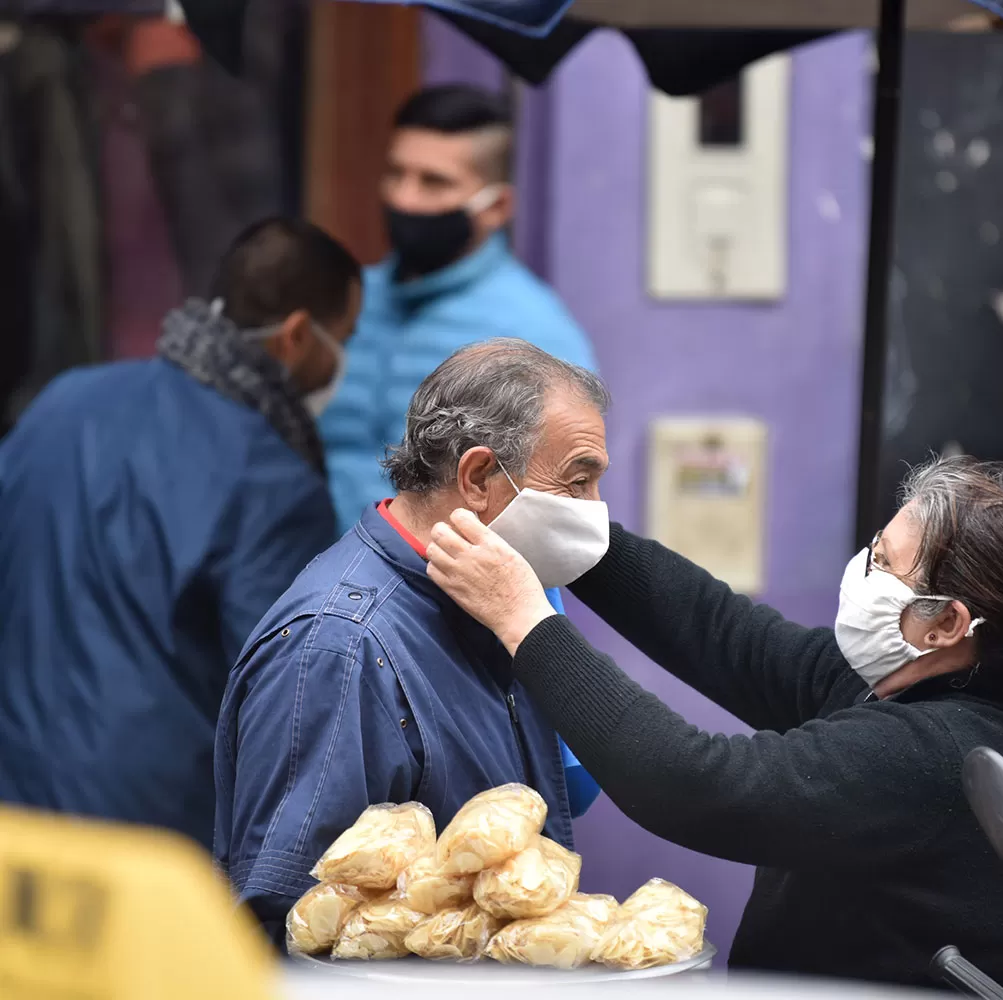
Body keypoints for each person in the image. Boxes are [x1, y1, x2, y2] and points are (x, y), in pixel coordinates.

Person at [423, 454, 1003, 991]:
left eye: (887, 565)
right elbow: (727, 636)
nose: (863, 570)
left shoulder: (933, 753)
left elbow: (692, 783)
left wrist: (525, 623)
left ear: (946, 624)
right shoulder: (905, 687)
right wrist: (576, 536)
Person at [216, 339, 607, 944]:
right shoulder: (339, 648)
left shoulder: (497, 603)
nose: (594, 510)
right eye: (578, 483)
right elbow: (298, 929)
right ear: (479, 477)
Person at [0, 217, 361, 850]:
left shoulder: (64, 399)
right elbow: (285, 699)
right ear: (299, 336)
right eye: (345, 339)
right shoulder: (271, 477)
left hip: (16, 798)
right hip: (153, 836)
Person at [320, 84, 597, 534]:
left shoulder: (533, 332)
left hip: (442, 593)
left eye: (434, 182)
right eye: (396, 174)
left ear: (497, 206)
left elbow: (554, 511)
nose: (405, 199)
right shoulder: (341, 302)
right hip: (311, 586)